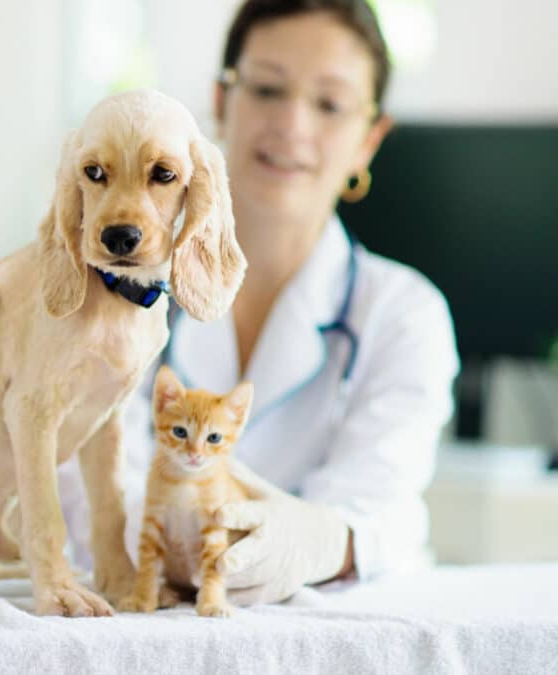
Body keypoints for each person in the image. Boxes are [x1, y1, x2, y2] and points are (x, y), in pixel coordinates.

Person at [62, 0, 459, 606]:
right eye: (269, 89)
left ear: (368, 140)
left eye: (328, 103)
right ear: (221, 104)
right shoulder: (118, 281)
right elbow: (85, 477)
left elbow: (380, 507)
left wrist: (320, 540)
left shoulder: (404, 314)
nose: (293, 125)